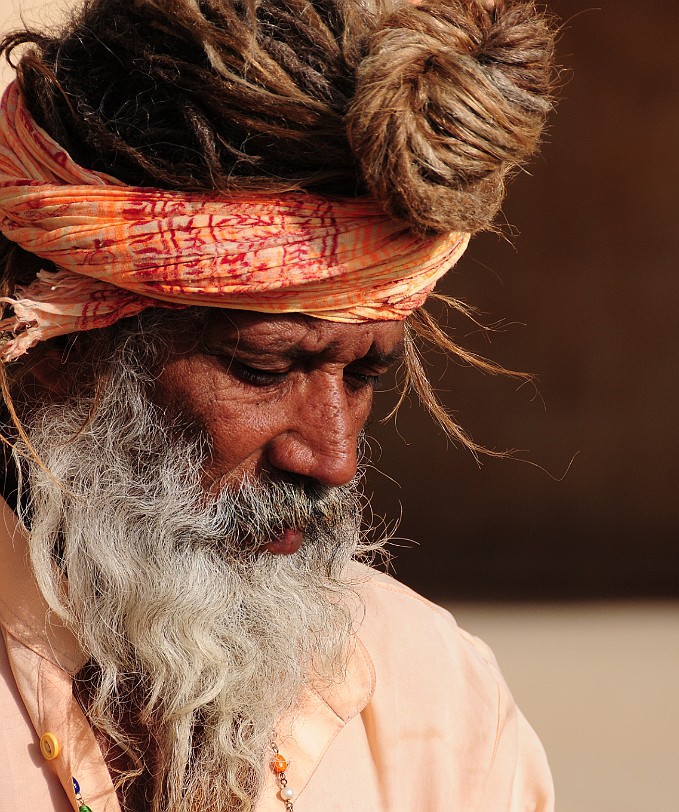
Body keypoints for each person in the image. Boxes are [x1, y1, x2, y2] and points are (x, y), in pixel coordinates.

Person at [0, 0, 557, 809]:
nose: (332, 458)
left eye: (362, 377)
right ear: (61, 350)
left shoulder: (441, 703)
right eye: (265, 368)